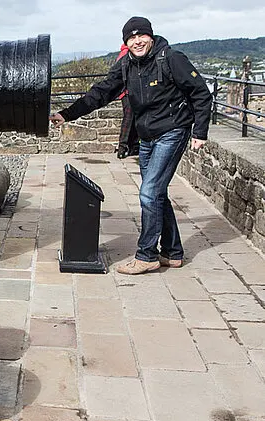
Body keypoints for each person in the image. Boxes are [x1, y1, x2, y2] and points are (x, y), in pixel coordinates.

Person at [49, 16, 212, 275]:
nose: (137, 41)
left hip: (172, 131)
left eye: (141, 36)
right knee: (156, 193)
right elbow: (99, 93)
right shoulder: (126, 65)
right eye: (131, 38)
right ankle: (173, 251)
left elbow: (201, 92)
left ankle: (147, 255)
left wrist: (200, 132)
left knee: (149, 192)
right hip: (147, 137)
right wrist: (67, 114)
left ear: (151, 36)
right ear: (126, 42)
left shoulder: (171, 58)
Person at [115, 43, 139, 159]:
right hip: (128, 92)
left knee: (133, 119)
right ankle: (123, 147)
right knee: (129, 119)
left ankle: (132, 146)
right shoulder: (126, 55)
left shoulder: (124, 53)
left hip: (128, 92)